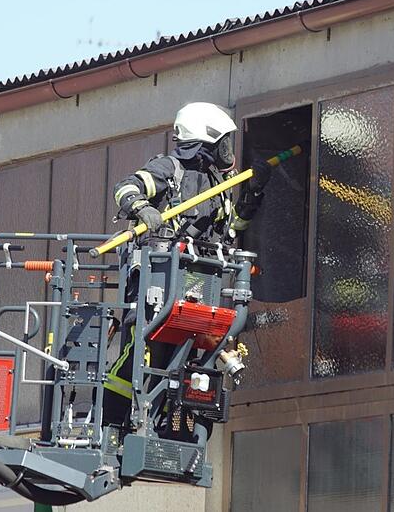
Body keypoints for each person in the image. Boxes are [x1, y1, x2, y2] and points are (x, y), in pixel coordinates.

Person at [102, 102, 271, 431]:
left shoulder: (217, 183)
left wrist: (252, 194)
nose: (228, 149)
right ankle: (111, 424)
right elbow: (125, 187)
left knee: (186, 363)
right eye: (223, 142)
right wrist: (141, 208)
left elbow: (230, 230)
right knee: (142, 354)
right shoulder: (170, 169)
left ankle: (171, 427)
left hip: (198, 283)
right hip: (157, 282)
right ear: (205, 141)